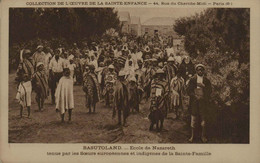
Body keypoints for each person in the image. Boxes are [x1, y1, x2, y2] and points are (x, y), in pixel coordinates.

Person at [187, 64, 212, 143]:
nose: (200, 71)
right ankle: (192, 136)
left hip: (203, 102)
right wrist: (194, 96)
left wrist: (204, 89)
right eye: (198, 70)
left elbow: (209, 91)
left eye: (201, 70)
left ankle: (203, 136)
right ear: (196, 71)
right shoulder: (192, 79)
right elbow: (189, 90)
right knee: (193, 118)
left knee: (203, 118)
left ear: (203, 71)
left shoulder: (206, 80)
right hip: (194, 101)